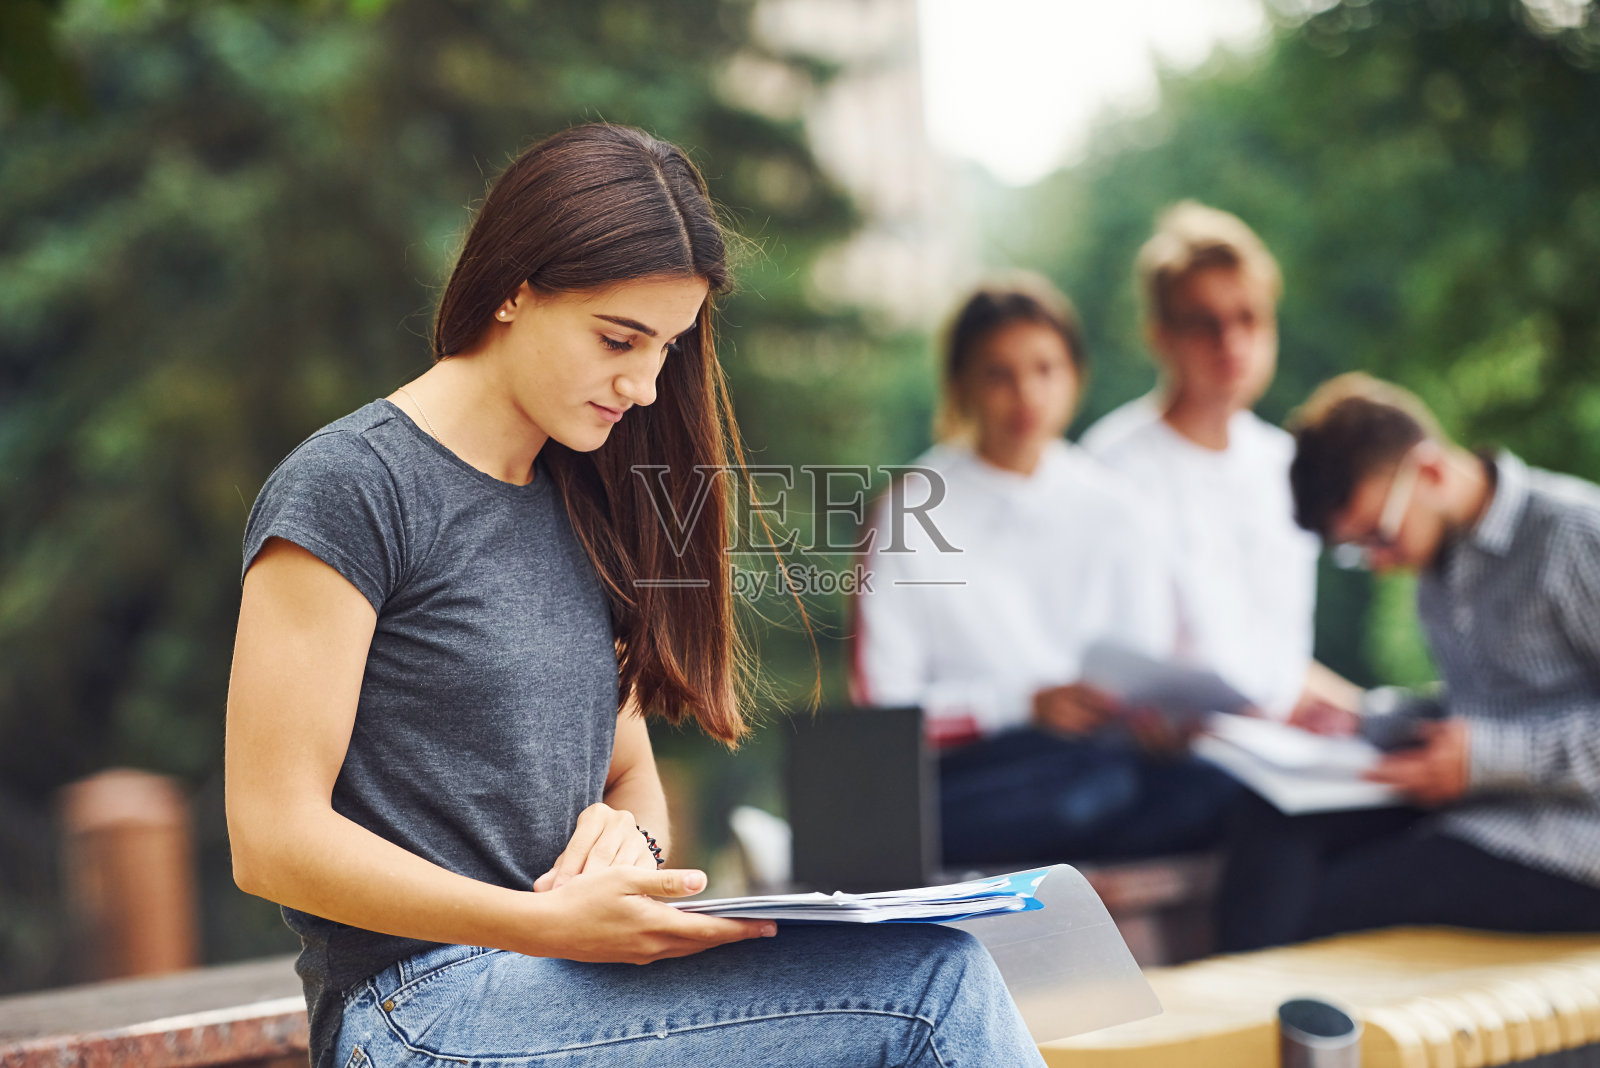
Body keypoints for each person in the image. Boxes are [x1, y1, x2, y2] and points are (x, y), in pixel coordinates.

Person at [225, 124, 1045, 1068]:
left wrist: (631, 846)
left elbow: (631, 778)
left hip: (564, 985)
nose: (646, 385)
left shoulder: (583, 499)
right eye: (619, 339)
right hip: (416, 1011)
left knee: (933, 962)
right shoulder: (352, 487)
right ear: (514, 289)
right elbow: (271, 837)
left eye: (667, 347)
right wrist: (545, 924)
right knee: (931, 990)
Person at [851, 277, 1240, 867]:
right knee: (1088, 788)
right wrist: (1021, 705)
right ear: (961, 385)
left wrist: (1155, 721)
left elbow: (1147, 668)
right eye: (998, 375)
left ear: (1075, 377)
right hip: (975, 775)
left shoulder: (1118, 508)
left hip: (1104, 760)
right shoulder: (909, 511)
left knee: (1219, 792)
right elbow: (882, 718)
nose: (1025, 394)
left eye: (1045, 369)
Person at [1216, 372, 1600, 950]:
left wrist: (1487, 758)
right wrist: (1368, 721)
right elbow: (1491, 702)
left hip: (1571, 836)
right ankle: (1233, 997)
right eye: (1356, 550)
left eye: (1379, 535)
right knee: (1270, 820)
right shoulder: (1439, 561)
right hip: (1488, 802)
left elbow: (1493, 736)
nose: (1378, 563)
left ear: (1431, 471)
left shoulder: (1573, 535)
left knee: (1346, 901)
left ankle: (1265, 1000)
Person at [1080, 202, 1356, 722]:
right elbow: (1097, 656)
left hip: (1279, 743)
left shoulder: (1285, 463)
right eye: (1204, 324)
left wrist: (1368, 716)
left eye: (1248, 318)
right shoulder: (1111, 467)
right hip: (1164, 751)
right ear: (1160, 336)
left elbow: (1276, 664)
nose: (1231, 342)